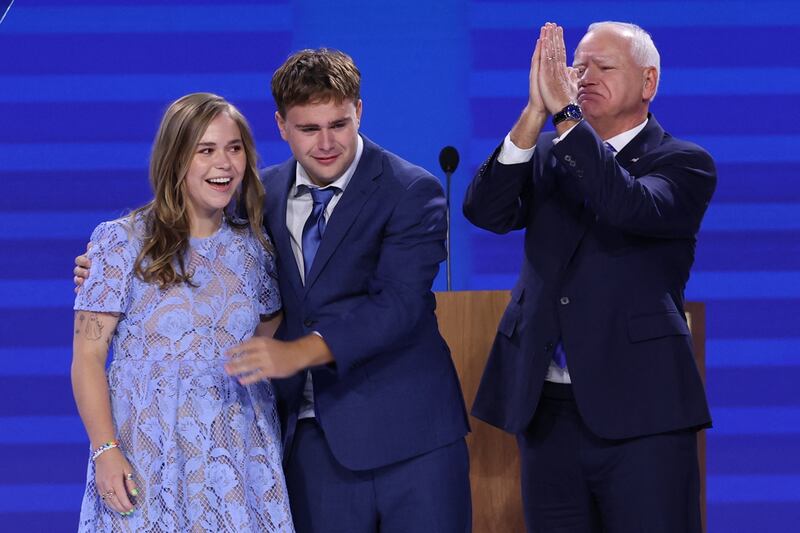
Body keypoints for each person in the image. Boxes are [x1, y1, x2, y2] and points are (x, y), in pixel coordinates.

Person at [463, 22, 715, 532]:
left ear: (648, 83)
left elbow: (626, 204)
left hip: (643, 413)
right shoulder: (552, 152)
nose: (584, 77)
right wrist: (535, 113)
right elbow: (485, 212)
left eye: (604, 66)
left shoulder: (684, 163)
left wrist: (567, 118)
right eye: (578, 67)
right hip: (548, 411)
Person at [223, 49, 471, 532]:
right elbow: (200, 242)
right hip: (313, 444)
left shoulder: (411, 190)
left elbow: (397, 304)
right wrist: (122, 258)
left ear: (359, 110)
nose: (326, 143)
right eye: (309, 129)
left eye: (338, 124)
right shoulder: (258, 196)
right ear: (280, 125)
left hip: (412, 440)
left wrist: (300, 352)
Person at [71, 93, 294, 531]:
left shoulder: (255, 247)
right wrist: (105, 449)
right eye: (206, 150)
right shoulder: (121, 242)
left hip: (238, 456)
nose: (224, 163)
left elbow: (270, 322)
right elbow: (87, 359)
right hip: (148, 456)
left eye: (235, 149)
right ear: (176, 159)